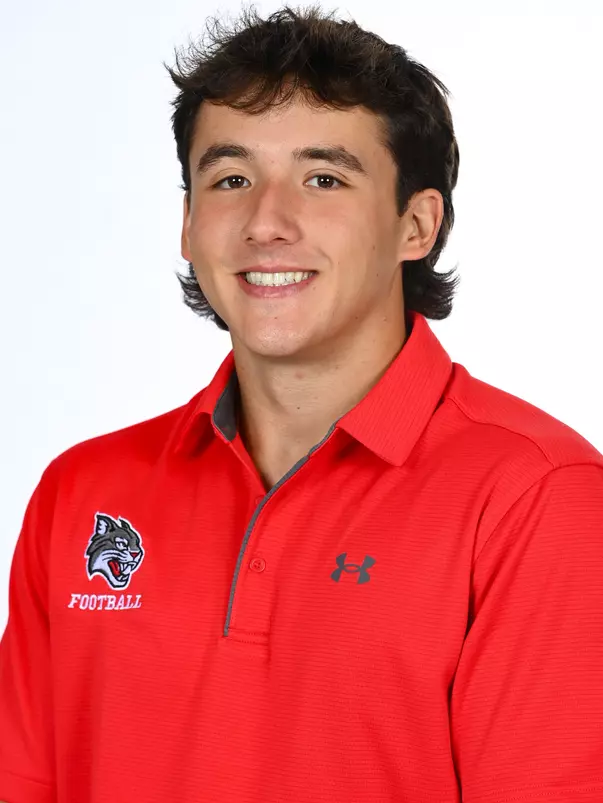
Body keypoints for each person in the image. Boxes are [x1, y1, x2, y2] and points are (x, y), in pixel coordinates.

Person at [1, 4, 602, 802]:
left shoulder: (537, 497)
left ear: (415, 224)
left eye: (323, 178)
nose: (265, 222)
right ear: (188, 223)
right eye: (230, 178)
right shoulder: (81, 492)